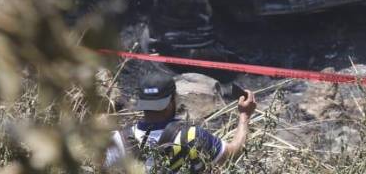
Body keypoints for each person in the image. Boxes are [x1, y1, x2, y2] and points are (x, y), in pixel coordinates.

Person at [105, 71, 257, 172]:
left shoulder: (118, 140)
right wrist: (244, 116)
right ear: (172, 100)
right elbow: (232, 154)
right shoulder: (192, 136)